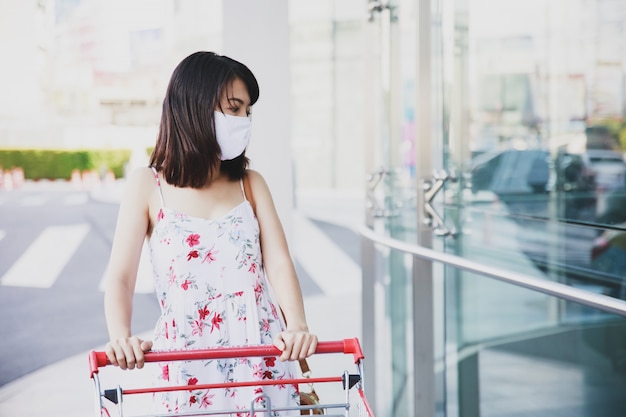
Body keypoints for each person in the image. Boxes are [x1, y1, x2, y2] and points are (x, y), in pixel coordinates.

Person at [103, 51, 318, 415]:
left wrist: (297, 324)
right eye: (233, 108)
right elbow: (120, 278)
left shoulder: (250, 184)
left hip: (262, 359)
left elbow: (279, 262)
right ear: (194, 106)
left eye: (246, 111)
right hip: (187, 365)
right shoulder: (147, 185)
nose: (243, 120)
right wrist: (120, 336)